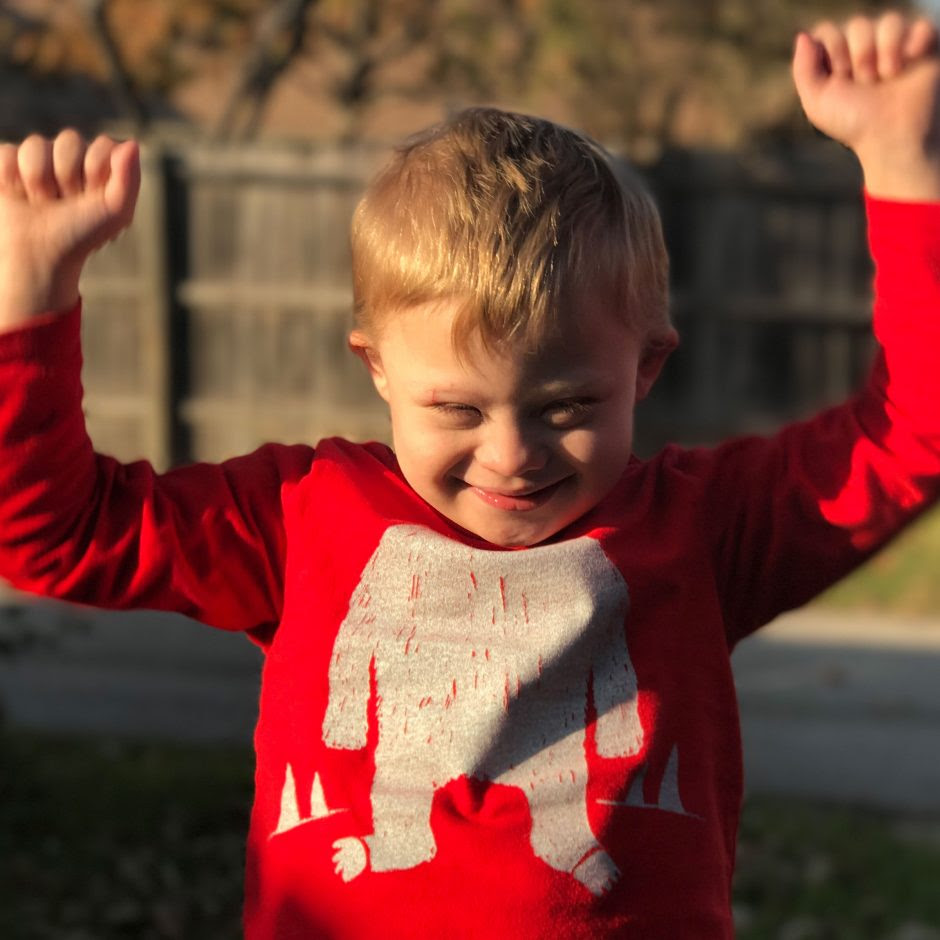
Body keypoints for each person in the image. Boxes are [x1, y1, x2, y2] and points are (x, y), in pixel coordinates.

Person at [1, 10, 939, 939]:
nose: (511, 455)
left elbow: (911, 437)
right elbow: (60, 536)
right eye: (457, 409)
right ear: (376, 367)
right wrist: (30, 307)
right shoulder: (300, 518)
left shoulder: (702, 532)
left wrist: (900, 170)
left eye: (567, 407)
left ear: (646, 368)